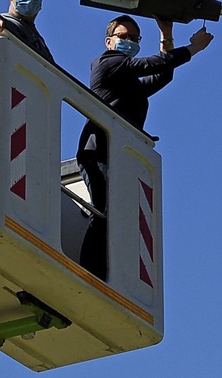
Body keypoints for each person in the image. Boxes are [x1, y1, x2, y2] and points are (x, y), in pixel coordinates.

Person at [76, 14, 214, 280]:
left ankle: (106, 273)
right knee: (104, 211)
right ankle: (89, 272)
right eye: (123, 37)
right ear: (109, 41)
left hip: (119, 155)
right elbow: (151, 65)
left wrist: (166, 35)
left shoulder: (128, 83)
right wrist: (194, 48)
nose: (129, 42)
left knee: (116, 215)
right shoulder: (106, 63)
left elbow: (162, 75)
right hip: (99, 153)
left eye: (134, 38)